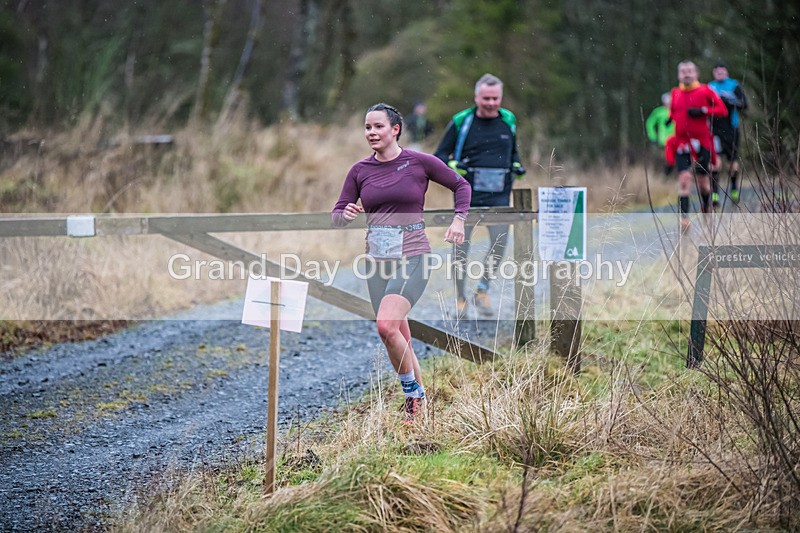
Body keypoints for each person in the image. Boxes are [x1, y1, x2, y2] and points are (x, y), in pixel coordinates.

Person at [331, 103, 470, 423]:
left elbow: (461, 185)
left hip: (413, 256)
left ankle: (412, 396)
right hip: (377, 262)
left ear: (395, 129)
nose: (371, 133)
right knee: (396, 336)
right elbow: (338, 213)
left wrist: (459, 220)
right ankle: (421, 407)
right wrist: (346, 214)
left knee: (386, 325)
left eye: (378, 127)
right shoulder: (359, 170)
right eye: (367, 127)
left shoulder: (419, 163)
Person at [434, 73, 526, 316]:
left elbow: (513, 151)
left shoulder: (508, 120)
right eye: (486, 98)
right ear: (476, 97)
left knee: (499, 244)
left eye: (495, 98)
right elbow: (439, 157)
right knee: (461, 246)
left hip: (500, 194)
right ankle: (460, 298)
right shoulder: (461, 121)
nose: (491, 103)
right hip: (468, 194)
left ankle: (482, 291)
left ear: (501, 97)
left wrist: (517, 165)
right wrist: (453, 169)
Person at [666, 60, 728, 231]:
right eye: (683, 71)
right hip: (682, 143)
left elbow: (722, 111)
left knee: (702, 183)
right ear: (679, 74)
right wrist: (670, 118)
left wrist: (703, 111)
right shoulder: (675, 92)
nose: (686, 74)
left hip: (701, 142)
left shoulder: (705, 90)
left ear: (696, 73)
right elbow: (674, 111)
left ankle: (707, 207)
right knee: (684, 179)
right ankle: (684, 220)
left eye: (690, 71)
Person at [708, 60, 748, 207]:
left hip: (732, 129)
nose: (720, 74)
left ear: (726, 72)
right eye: (717, 72)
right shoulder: (710, 87)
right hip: (714, 130)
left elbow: (744, 104)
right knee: (715, 163)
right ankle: (715, 194)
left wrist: (730, 101)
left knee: (732, 163)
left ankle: (734, 189)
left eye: (722, 71)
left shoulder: (734, 85)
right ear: (714, 73)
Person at [645, 92, 676, 174]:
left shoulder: (676, 110)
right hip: (664, 141)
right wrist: (653, 137)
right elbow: (649, 123)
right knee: (667, 160)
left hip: (677, 139)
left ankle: (672, 176)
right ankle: (665, 176)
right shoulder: (658, 112)